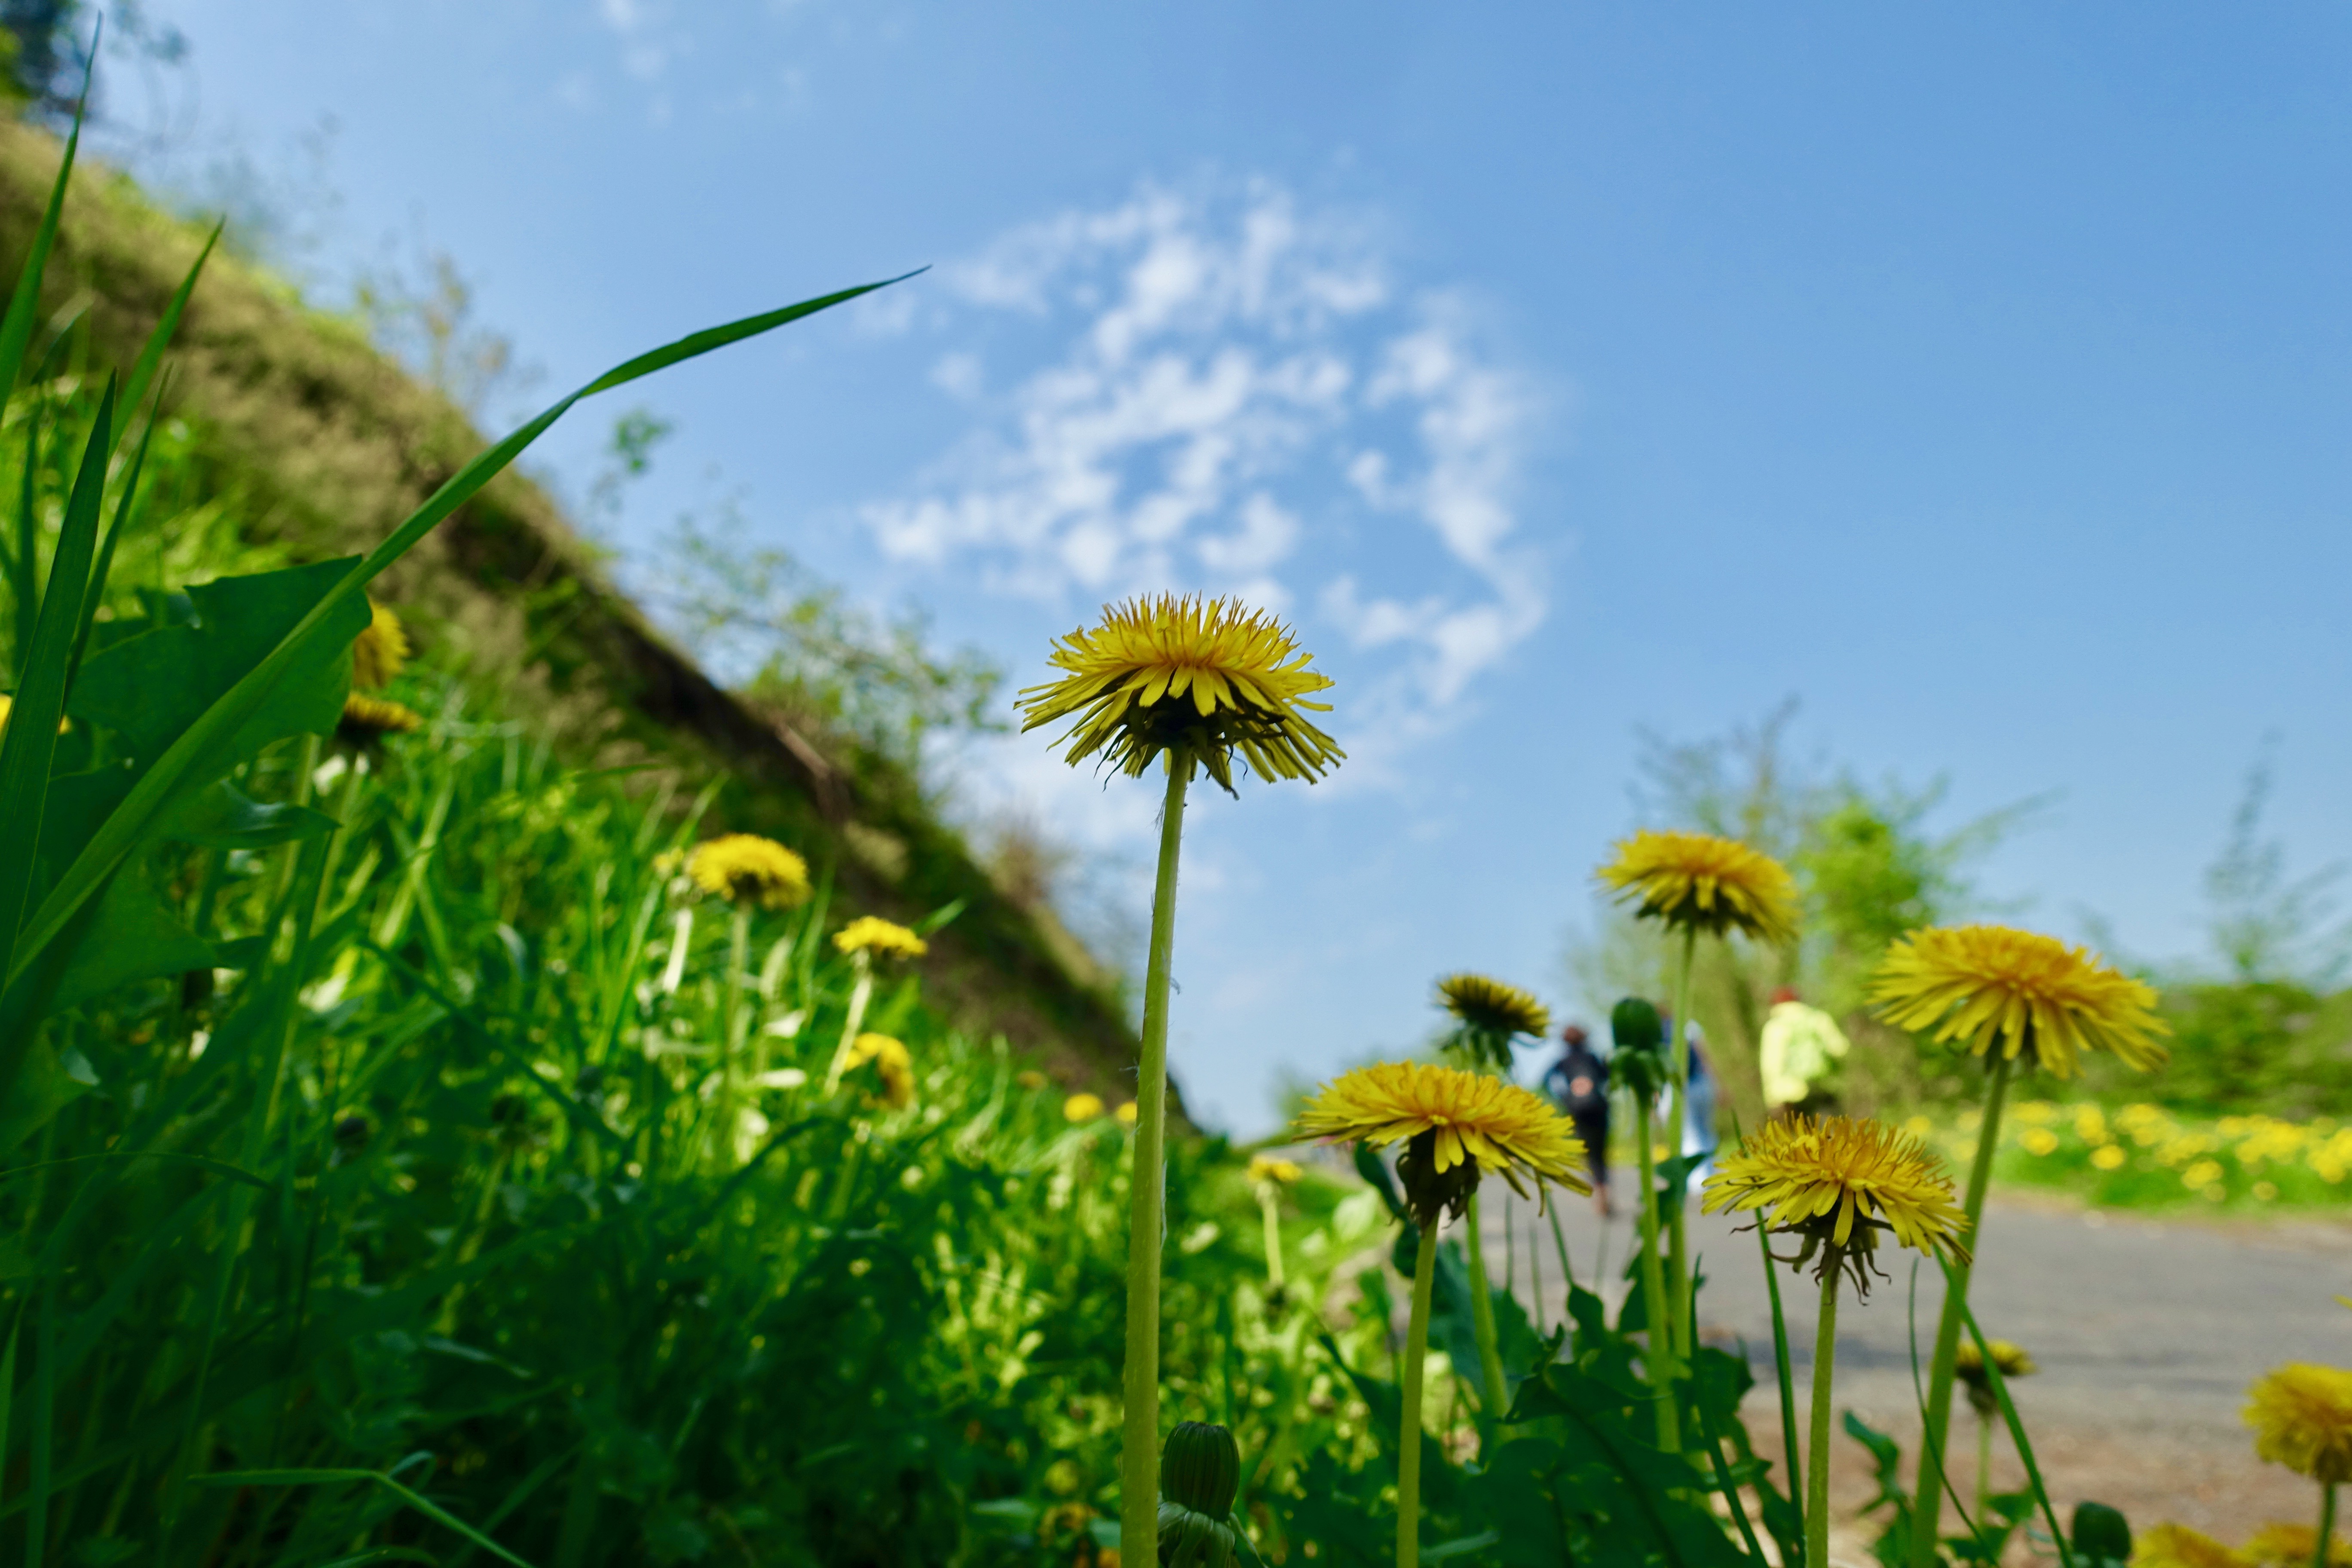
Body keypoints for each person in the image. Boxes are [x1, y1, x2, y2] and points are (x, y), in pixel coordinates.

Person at [1544, 1023, 1612, 1216]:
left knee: (1589, 1155)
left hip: (1578, 1111)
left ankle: (1598, 1193)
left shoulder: (1563, 1061)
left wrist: (1565, 1097)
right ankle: (1605, 1193)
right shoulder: (1593, 1058)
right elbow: (1608, 1077)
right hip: (1599, 1108)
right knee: (1602, 1153)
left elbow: (1547, 1082)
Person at [1757, 985, 1851, 1118]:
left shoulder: (1775, 1026)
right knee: (1832, 1133)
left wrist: (1772, 1099)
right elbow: (1841, 1049)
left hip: (1790, 1093)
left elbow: (1771, 1065)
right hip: (1823, 1085)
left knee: (1798, 1136)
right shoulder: (1818, 1018)